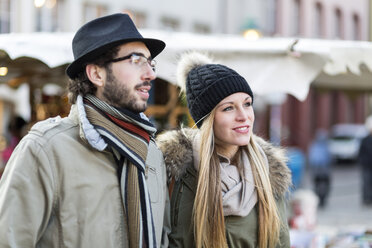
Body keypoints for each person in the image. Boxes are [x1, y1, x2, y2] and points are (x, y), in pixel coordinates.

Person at [0, 13, 169, 248]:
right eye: (136, 60)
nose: (151, 74)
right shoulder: (46, 150)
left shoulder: (151, 153)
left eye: (150, 63)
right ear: (97, 74)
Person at [156, 52, 291, 248]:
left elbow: (281, 242)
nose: (244, 116)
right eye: (229, 108)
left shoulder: (267, 171)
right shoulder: (174, 172)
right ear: (207, 119)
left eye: (247, 104)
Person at [307, 129, 331, 207]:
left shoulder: (314, 146)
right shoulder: (326, 146)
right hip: (324, 171)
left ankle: (318, 198)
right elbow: (330, 158)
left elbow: (311, 159)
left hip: (316, 171)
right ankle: (322, 199)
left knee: (317, 186)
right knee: (324, 186)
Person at [358, 115, 372, 205]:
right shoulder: (365, 140)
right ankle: (366, 199)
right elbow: (360, 153)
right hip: (366, 165)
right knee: (366, 182)